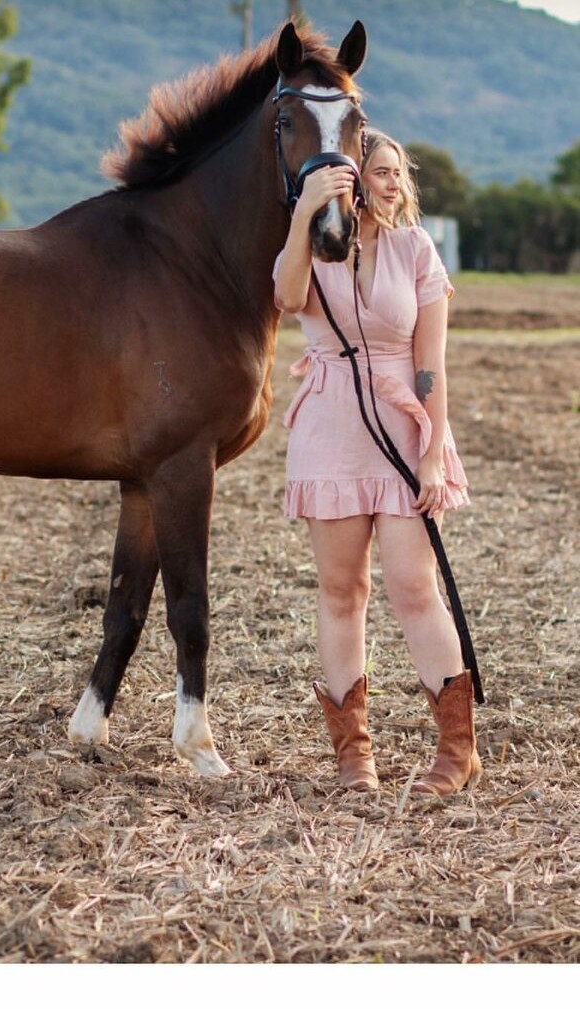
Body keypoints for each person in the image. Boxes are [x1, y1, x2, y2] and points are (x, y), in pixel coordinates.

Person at [273, 129, 480, 796]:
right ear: (350, 180)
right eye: (380, 172)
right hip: (330, 431)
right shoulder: (312, 250)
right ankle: (353, 756)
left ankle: (457, 751)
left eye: (398, 173)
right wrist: (306, 212)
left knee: (414, 588)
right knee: (341, 592)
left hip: (402, 431)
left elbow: (430, 365)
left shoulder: (415, 249)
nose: (393, 184)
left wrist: (431, 454)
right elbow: (285, 298)